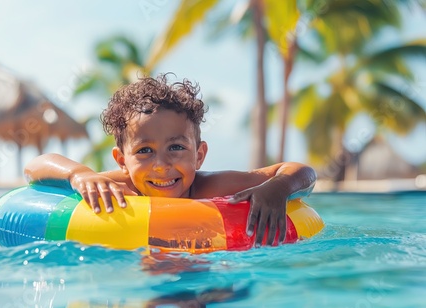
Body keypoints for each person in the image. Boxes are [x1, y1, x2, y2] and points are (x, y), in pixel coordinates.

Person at [25, 74, 316, 246]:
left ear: (199, 155)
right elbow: (36, 166)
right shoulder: (119, 185)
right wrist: (78, 174)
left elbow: (302, 171)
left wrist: (277, 188)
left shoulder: (210, 187)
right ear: (122, 161)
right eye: (144, 151)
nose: (161, 165)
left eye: (176, 147)